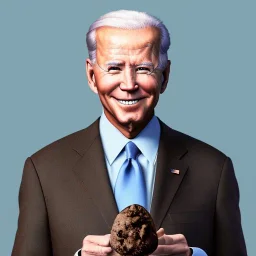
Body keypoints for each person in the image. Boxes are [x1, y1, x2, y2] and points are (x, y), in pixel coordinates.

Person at [11, 10, 247, 256]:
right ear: (92, 76)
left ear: (165, 76)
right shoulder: (44, 170)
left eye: (144, 68)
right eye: (114, 68)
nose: (129, 84)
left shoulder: (213, 169)